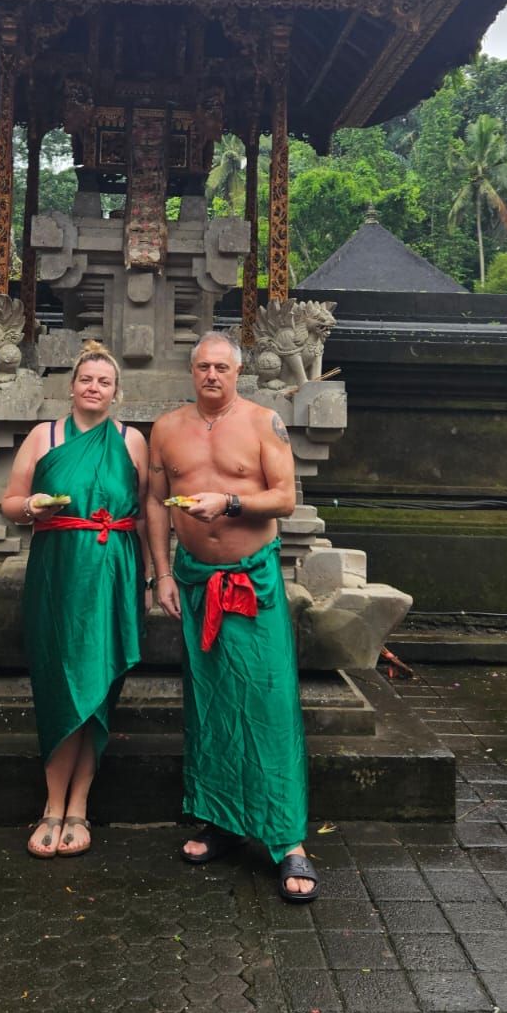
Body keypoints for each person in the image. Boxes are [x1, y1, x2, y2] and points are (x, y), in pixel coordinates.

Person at [146, 332, 317, 902]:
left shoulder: (264, 422)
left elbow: (286, 497)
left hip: (252, 582)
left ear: (237, 372)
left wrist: (231, 502)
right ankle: (221, 819)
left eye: (221, 367)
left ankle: (287, 839)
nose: (211, 375)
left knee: (267, 701)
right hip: (195, 581)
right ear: (191, 371)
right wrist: (162, 573)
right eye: (203, 367)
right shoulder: (167, 429)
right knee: (211, 698)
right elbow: (153, 501)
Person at [1, 341, 151, 859]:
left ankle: (79, 805)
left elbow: (149, 510)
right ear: (71, 386)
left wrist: (158, 575)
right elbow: (10, 501)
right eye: (86, 379)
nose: (93, 387)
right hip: (57, 572)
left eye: (103, 382)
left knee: (98, 684)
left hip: (113, 571)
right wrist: (33, 508)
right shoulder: (45, 436)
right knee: (57, 681)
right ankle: (51, 805)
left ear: (116, 392)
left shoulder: (133, 441)